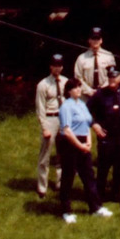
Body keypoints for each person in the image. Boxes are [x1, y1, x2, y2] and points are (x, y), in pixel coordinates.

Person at [58, 78, 112, 222]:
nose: (78, 90)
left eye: (79, 87)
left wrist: (88, 142)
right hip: (70, 143)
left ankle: (95, 207)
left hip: (83, 142)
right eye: (75, 88)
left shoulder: (82, 104)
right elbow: (67, 130)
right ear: (68, 91)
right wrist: (79, 145)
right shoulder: (66, 106)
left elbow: (88, 123)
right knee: (68, 176)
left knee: (89, 176)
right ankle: (66, 211)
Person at [91, 64, 120, 202]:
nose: (111, 79)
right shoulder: (100, 94)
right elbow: (86, 111)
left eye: (114, 76)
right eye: (110, 77)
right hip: (106, 135)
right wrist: (94, 125)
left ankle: (116, 192)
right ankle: (99, 193)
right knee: (103, 166)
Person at [35, 52, 67, 200]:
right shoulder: (43, 85)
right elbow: (40, 108)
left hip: (63, 118)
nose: (57, 68)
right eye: (55, 65)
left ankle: (60, 183)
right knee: (45, 154)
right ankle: (42, 187)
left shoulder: (66, 82)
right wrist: (44, 127)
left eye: (59, 65)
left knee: (63, 153)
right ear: (50, 66)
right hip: (50, 118)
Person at [73, 26, 116, 93]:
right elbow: (78, 77)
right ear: (89, 40)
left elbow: (112, 76)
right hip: (87, 94)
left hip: (105, 93)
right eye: (93, 38)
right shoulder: (81, 58)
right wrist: (89, 91)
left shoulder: (109, 56)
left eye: (97, 38)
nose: (95, 41)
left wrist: (102, 90)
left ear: (101, 40)